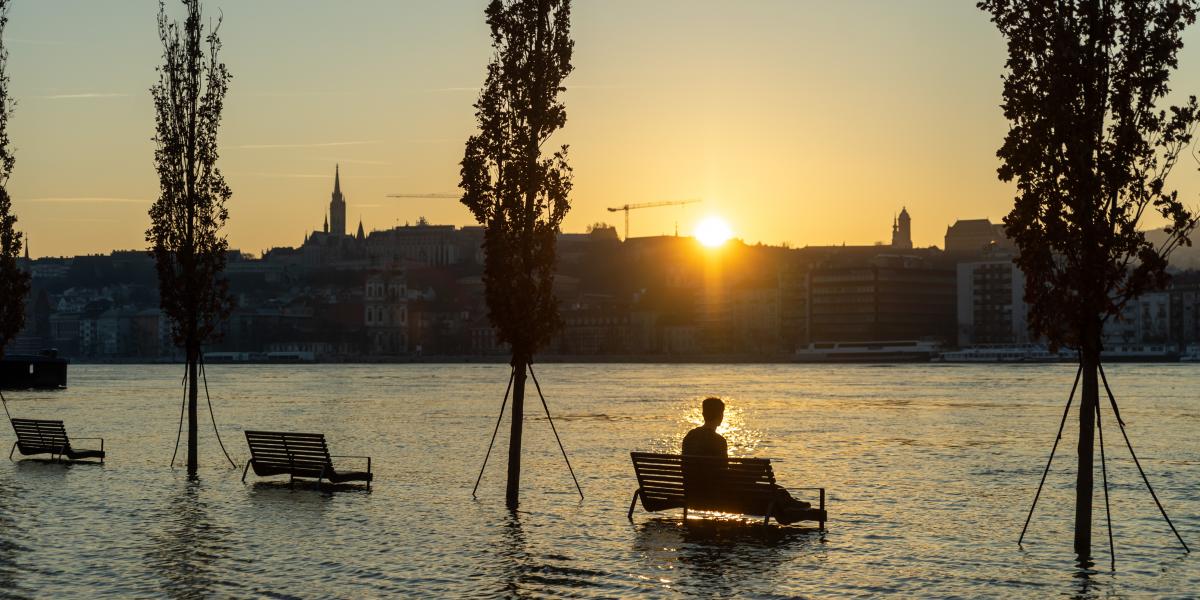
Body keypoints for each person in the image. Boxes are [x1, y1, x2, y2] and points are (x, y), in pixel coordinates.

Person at [681, 396, 813, 524]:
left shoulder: (689, 436)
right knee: (766, 479)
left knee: (768, 484)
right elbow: (723, 473)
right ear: (720, 416)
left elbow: (709, 470)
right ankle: (789, 506)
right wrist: (746, 470)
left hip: (693, 492)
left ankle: (788, 503)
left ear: (703, 414)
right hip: (719, 494)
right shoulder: (718, 441)